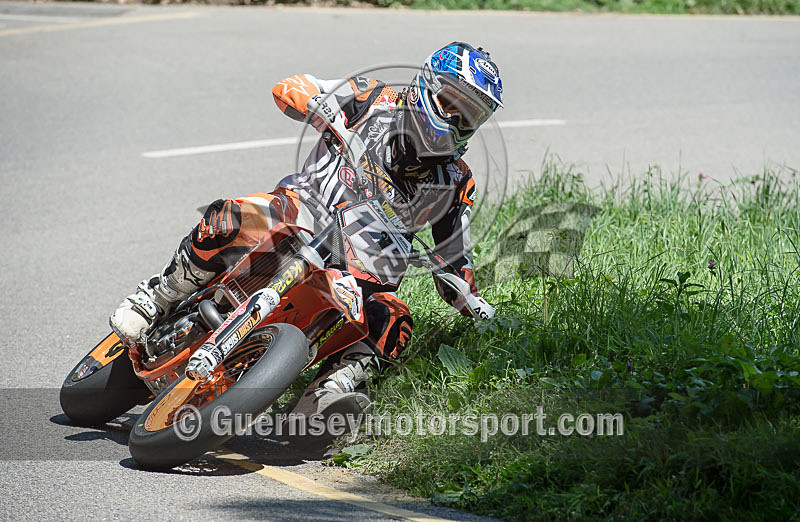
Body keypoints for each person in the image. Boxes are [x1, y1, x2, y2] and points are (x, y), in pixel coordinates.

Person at [109, 42, 503, 441]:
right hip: (297, 216)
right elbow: (292, 86)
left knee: (396, 320)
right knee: (230, 216)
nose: (457, 119)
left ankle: (326, 399)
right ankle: (157, 297)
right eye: (452, 102)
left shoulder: (456, 182)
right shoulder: (372, 97)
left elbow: (458, 255)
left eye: (471, 115)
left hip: (359, 274)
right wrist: (320, 106)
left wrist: (472, 300)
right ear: (428, 85)